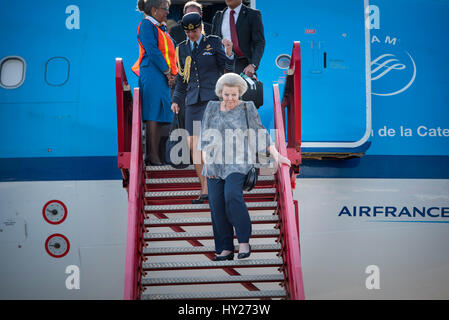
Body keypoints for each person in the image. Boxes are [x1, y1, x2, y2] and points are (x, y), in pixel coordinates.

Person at [199, 73, 291, 260]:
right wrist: (207, 164)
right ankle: (225, 248)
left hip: (239, 161)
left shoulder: (247, 107)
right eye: (226, 95)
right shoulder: (211, 108)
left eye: (234, 94)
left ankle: (243, 242)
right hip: (214, 163)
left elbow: (260, 132)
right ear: (220, 93)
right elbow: (204, 138)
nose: (230, 99)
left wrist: (277, 155)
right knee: (216, 206)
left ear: (240, 93)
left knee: (232, 196)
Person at [171, 12, 234, 204]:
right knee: (193, 144)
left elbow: (228, 69)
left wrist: (229, 53)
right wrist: (176, 99)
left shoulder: (213, 42)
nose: (192, 34)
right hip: (192, 102)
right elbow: (182, 78)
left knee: (211, 143)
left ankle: (217, 186)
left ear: (201, 27)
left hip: (211, 99)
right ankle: (205, 188)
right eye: (188, 32)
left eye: (195, 30)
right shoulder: (181, 49)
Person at [132, 0, 177, 165]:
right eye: (165, 9)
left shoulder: (161, 28)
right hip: (152, 72)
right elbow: (152, 50)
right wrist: (167, 72)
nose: (167, 13)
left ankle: (156, 153)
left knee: (161, 113)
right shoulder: (146, 25)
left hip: (162, 74)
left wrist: (172, 74)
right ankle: (152, 154)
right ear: (153, 9)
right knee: (152, 113)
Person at [211, 0, 265, 77]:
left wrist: (253, 65)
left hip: (243, 66)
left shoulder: (253, 14)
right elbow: (213, 42)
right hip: (223, 65)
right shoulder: (218, 16)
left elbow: (259, 42)